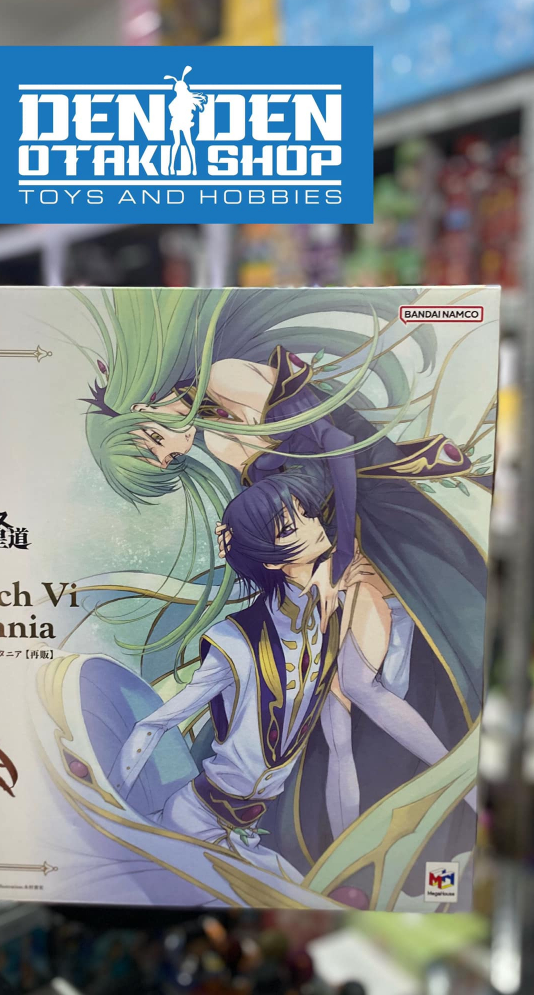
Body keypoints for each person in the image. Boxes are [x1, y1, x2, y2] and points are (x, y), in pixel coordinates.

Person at [74, 286, 489, 737]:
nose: (174, 450)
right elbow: (281, 495)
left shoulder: (224, 378)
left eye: (156, 441)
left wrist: (340, 554)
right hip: (331, 526)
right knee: (338, 686)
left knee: (381, 661)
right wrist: (243, 536)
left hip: (369, 493)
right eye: (167, 459)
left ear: (140, 409)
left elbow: (335, 445)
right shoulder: (217, 439)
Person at [108, 473, 415, 885]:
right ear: (271, 561)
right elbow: (154, 723)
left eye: (307, 513)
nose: (313, 525)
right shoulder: (234, 640)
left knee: (300, 893)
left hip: (245, 835)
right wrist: (111, 817)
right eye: (290, 527)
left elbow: (386, 694)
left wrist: (394, 605)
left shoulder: (333, 622)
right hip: (194, 821)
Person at [164, 66, 207, 175]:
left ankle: (191, 168)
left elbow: (173, 111)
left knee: (184, 143)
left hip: (182, 122)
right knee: (180, 143)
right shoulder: (177, 101)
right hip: (179, 122)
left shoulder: (181, 101)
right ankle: (174, 167)